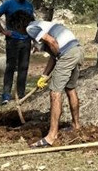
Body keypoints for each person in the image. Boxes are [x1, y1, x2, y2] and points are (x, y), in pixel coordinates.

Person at [26, 16, 83, 147]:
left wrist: (60, 56)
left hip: (67, 53)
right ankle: (76, 125)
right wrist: (44, 76)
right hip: (77, 50)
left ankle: (51, 136)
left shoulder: (30, 28)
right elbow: (53, 54)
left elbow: (52, 42)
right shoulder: (44, 25)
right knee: (70, 88)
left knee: (55, 93)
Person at [0, 0, 35, 103]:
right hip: (13, 41)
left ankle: (21, 95)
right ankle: (6, 96)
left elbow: (32, 23)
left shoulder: (29, 6)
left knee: (23, 68)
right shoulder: (8, 3)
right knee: (10, 67)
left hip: (26, 41)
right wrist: (3, 31)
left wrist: (34, 40)